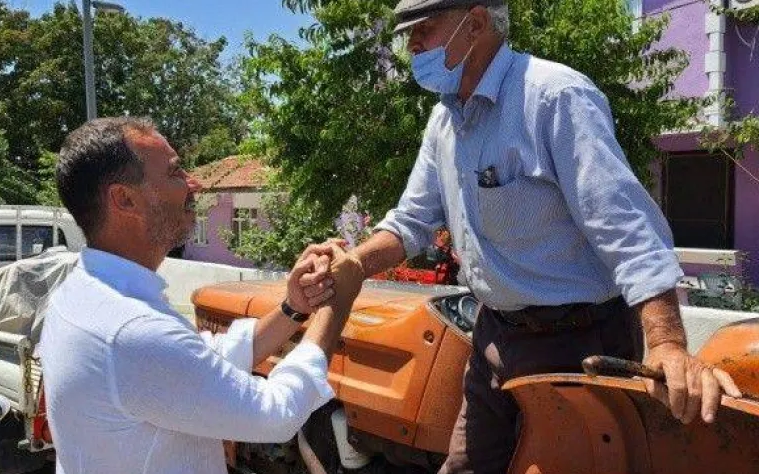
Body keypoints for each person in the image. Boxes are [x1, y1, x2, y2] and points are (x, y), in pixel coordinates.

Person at [303, 1, 743, 473]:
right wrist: (354, 263)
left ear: (475, 23)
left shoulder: (555, 96)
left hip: (579, 344)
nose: (411, 45)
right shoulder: (445, 121)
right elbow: (411, 221)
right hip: (494, 335)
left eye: (424, 29)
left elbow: (626, 229)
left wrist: (667, 343)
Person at [39, 117, 364, 474]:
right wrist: (336, 305)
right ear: (125, 199)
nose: (194, 183)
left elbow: (199, 362)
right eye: (175, 173)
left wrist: (294, 307)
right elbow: (275, 414)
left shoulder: (84, 294)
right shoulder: (131, 330)